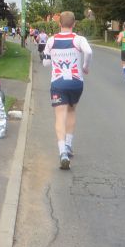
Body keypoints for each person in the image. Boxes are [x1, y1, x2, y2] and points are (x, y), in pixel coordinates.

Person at [42, 11, 92, 170]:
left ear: (59, 24)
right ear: (74, 24)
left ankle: (62, 152)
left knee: (59, 116)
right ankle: (69, 145)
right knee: (71, 112)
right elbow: (89, 52)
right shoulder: (79, 39)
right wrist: (85, 67)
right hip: (76, 82)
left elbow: (45, 63)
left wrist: (53, 59)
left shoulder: (51, 40)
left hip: (58, 82)